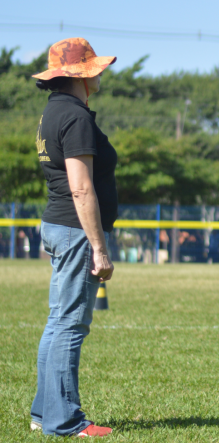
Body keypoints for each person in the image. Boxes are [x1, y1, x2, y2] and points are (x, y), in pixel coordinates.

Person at [30, 38, 118, 437]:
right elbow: (82, 188)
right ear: (81, 75)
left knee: (57, 322)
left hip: (57, 224)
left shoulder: (53, 112)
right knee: (69, 326)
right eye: (95, 67)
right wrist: (98, 247)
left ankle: (43, 413)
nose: (101, 72)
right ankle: (64, 421)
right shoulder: (77, 117)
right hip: (74, 230)